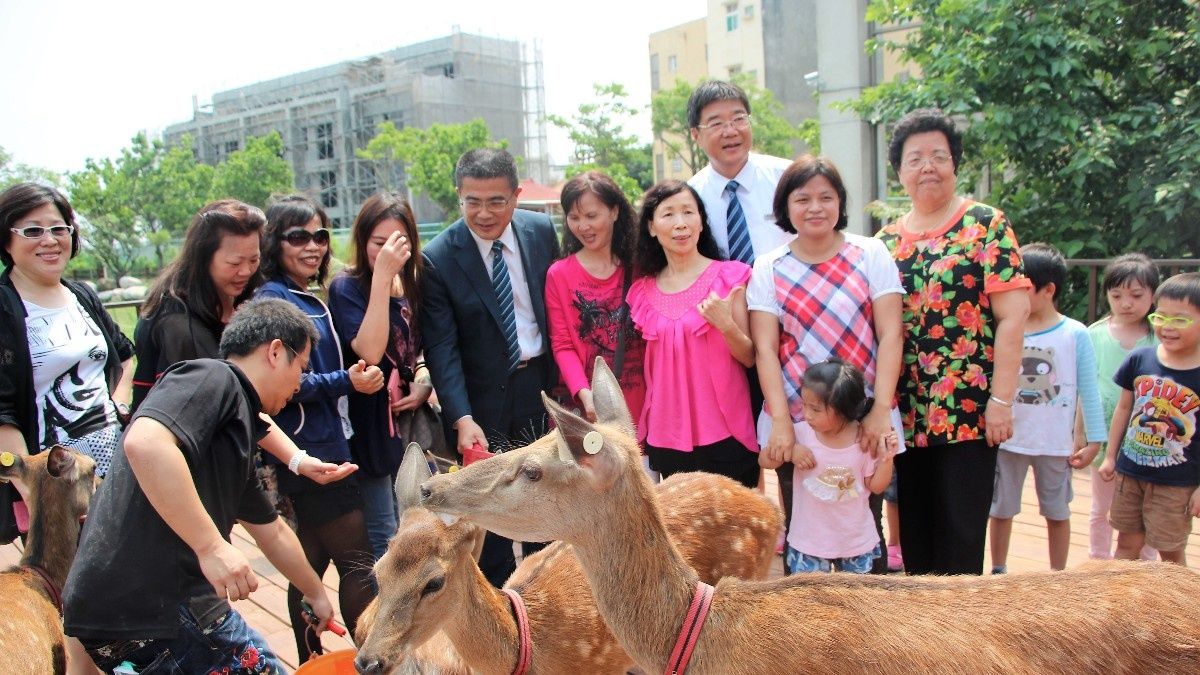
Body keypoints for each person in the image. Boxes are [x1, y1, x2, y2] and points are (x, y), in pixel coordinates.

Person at [64, 298, 337, 673]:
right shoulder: (214, 377)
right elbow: (144, 443)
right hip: (160, 605)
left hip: (125, 613)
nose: (299, 383)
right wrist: (211, 546)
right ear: (276, 352)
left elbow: (271, 531)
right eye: (301, 368)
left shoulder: (232, 434)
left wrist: (315, 592)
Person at [876, 108, 1031, 575]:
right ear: (900, 172)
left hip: (970, 409)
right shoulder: (884, 243)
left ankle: (965, 643)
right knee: (916, 532)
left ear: (955, 164)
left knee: (962, 532)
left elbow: (1012, 317)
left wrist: (1001, 400)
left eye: (938, 156)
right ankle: (928, 643)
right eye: (915, 158)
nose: (927, 167)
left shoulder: (985, 225)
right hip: (907, 412)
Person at [746, 155, 905, 571]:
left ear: (840, 203)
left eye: (825, 197)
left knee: (864, 519)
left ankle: (867, 622)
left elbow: (890, 334)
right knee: (803, 523)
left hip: (862, 417)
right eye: (803, 199)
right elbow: (765, 349)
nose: (815, 207)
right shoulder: (769, 266)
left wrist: (880, 411)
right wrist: (781, 421)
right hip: (802, 422)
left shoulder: (870, 253)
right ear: (785, 206)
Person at [132, 200, 354, 488]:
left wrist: (296, 458)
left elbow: (244, 399)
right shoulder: (179, 324)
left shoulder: (240, 300)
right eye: (235, 263)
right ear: (203, 257)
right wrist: (296, 459)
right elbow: (230, 406)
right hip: (180, 468)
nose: (246, 272)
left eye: (253, 260)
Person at [421, 148, 560, 587]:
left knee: (548, 503)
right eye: (472, 202)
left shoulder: (540, 231)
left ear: (516, 197)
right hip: (482, 405)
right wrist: (461, 417)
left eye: (496, 201)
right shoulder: (439, 256)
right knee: (492, 518)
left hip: (540, 388)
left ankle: (550, 605)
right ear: (458, 196)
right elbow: (441, 347)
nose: (484, 213)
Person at [255, 195, 381, 661]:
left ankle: (310, 660)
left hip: (320, 440)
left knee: (310, 562)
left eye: (320, 236)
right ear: (275, 242)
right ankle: (372, 659)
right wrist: (344, 380)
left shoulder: (300, 293)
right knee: (357, 562)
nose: (313, 245)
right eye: (298, 237)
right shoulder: (274, 297)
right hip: (308, 445)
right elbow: (285, 381)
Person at [686, 80, 794, 520]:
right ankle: (758, 526)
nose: (730, 131)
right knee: (741, 442)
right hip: (724, 341)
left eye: (738, 119)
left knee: (796, 434)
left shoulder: (787, 180)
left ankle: (806, 533)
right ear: (696, 135)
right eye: (716, 123)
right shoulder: (688, 196)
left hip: (790, 335)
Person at [627, 180, 758, 488]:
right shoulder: (641, 292)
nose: (680, 223)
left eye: (689, 212)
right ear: (651, 227)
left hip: (726, 431)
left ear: (701, 222)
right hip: (667, 434)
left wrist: (725, 324)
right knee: (685, 532)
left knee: (734, 530)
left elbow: (751, 357)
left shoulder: (732, 276)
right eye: (668, 214)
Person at [987, 243, 1106, 573]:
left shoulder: (1075, 334)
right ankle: (998, 570)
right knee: (1001, 508)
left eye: (1021, 287)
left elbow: (1089, 389)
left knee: (1057, 511)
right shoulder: (1006, 328)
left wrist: (1094, 440)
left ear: (1047, 289)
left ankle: (1058, 577)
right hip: (1008, 437)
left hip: (1055, 443)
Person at [328, 192, 429, 561]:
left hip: (404, 413)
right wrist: (383, 277)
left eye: (397, 242)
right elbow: (368, 351)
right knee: (383, 527)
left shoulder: (415, 284)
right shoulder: (347, 287)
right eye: (378, 242)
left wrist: (423, 382)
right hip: (368, 416)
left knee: (413, 513)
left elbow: (420, 348)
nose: (387, 250)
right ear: (362, 240)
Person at [1096, 272, 1200, 566]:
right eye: (1161, 317)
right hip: (1131, 472)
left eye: (1180, 319)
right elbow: (1124, 409)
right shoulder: (1140, 359)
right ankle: (1119, 604)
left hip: (1177, 482)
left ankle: (1181, 609)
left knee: (1169, 551)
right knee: (1126, 543)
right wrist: (1110, 456)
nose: (1167, 327)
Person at [759, 359, 898, 574]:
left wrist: (887, 459)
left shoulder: (863, 440)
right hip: (809, 543)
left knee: (855, 603)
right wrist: (792, 451)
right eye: (804, 405)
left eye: (815, 409)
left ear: (843, 410)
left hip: (855, 543)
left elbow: (876, 486)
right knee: (811, 605)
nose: (807, 414)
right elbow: (764, 461)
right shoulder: (801, 434)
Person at [544, 171, 646, 438]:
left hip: (644, 406)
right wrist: (584, 393)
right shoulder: (559, 274)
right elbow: (563, 344)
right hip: (592, 409)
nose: (583, 227)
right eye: (574, 218)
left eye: (591, 216)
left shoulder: (641, 268)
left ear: (614, 212)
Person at [1079, 253, 1160, 560]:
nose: (1127, 303)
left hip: (1147, 436)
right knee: (1101, 505)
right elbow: (1084, 389)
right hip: (1102, 434)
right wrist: (1079, 436)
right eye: (1117, 296)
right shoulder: (1095, 334)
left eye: (1136, 295)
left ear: (1153, 295)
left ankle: (1145, 563)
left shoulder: (1160, 337)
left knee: (1146, 506)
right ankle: (1098, 559)